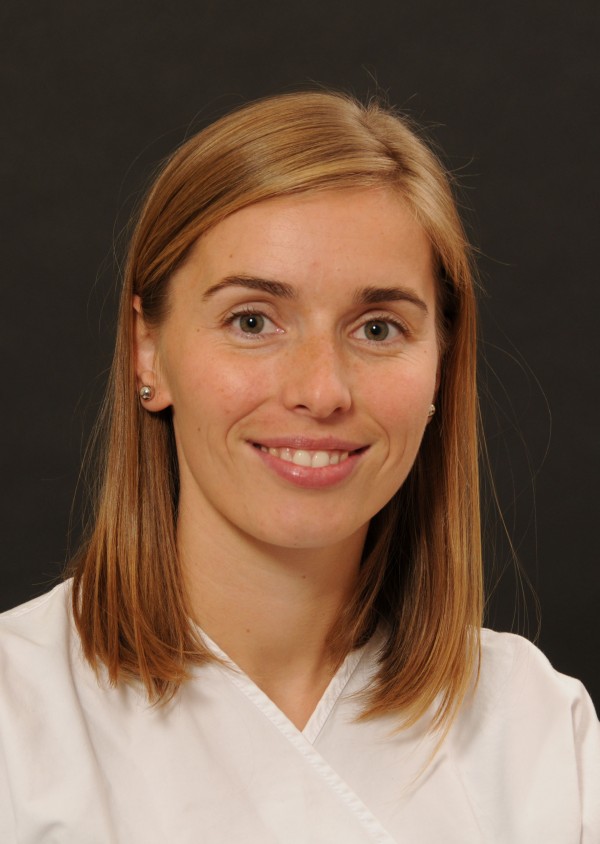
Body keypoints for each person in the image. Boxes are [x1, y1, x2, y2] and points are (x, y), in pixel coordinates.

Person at [0, 90, 598, 843]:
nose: (321, 390)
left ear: (441, 368)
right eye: (252, 321)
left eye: (378, 328)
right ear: (147, 350)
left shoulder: (537, 732)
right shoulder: (16, 720)